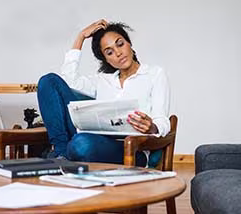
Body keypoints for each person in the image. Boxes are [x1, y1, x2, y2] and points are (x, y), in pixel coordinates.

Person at [37, 19, 170, 167]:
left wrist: (152, 127)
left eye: (120, 44)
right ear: (106, 60)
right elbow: (69, 80)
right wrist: (80, 37)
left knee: (81, 144)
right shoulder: (103, 80)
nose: (118, 53)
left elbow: (162, 120)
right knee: (49, 81)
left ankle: (62, 156)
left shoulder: (154, 74)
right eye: (109, 52)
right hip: (95, 139)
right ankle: (61, 155)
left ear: (129, 43)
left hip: (131, 148)